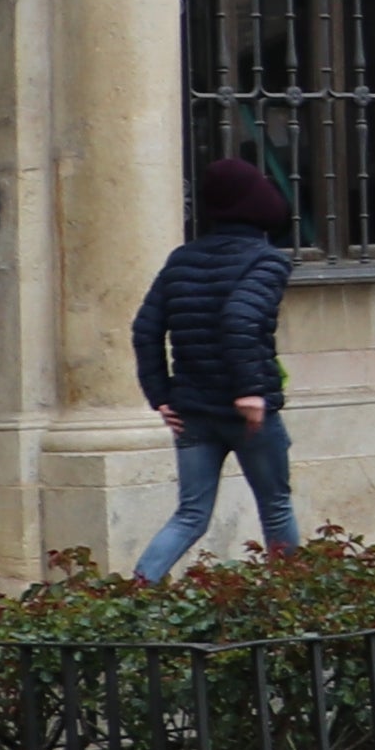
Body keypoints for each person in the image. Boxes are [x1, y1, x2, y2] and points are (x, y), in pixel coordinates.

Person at [129, 157, 298, 580]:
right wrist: (251, 391)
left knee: (190, 515)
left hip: (192, 413)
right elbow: (240, 319)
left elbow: (145, 329)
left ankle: (135, 593)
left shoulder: (182, 259)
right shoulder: (267, 261)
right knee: (275, 510)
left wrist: (161, 396)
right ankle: (294, 605)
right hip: (247, 415)